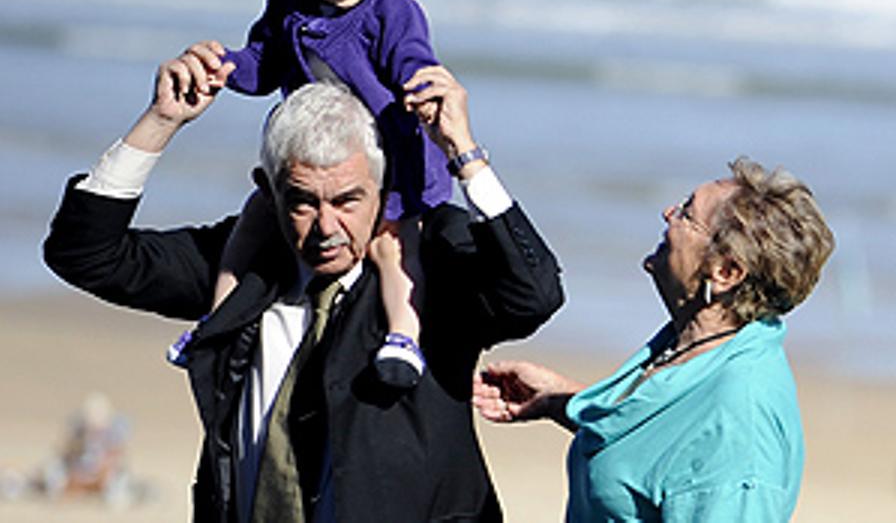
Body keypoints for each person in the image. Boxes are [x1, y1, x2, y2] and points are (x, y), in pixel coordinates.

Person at [43, 57, 564, 521]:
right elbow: (85, 254)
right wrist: (160, 122)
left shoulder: (426, 265)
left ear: (383, 193)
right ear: (267, 193)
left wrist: (464, 153)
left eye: (347, 200)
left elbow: (533, 293)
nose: (326, 227)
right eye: (302, 202)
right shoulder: (243, 263)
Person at [167, 0, 440, 368]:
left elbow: (413, 56)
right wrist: (222, 66)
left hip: (388, 156)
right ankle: (216, 326)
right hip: (314, 152)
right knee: (251, 227)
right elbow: (262, 64)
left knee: (392, 245)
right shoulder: (286, 2)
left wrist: (420, 84)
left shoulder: (391, 9)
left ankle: (404, 337)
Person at [473, 159, 835, 521]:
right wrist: (562, 400)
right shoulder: (695, 346)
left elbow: (708, 451)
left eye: (686, 214)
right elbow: (663, 451)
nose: (668, 214)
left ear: (725, 272)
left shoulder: (740, 421)